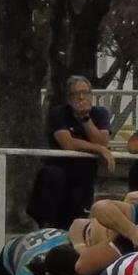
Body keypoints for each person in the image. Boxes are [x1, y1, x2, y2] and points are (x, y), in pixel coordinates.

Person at [28, 75, 116, 230]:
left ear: (91, 94)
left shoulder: (100, 113)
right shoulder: (58, 113)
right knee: (51, 222)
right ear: (68, 98)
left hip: (84, 179)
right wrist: (100, 150)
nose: (81, 97)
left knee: (77, 223)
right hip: (57, 177)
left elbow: (102, 140)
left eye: (85, 92)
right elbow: (67, 143)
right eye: (76, 94)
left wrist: (85, 119)